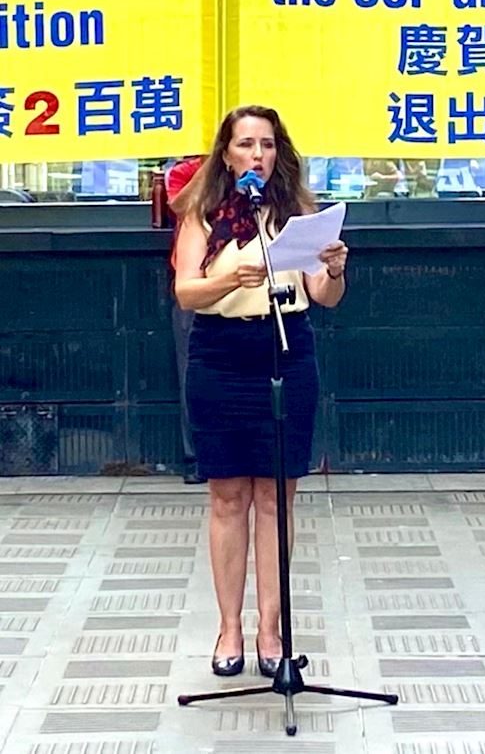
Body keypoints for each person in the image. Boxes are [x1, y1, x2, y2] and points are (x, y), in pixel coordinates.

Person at [173, 105, 348, 677]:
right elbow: (187, 293)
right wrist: (229, 279)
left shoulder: (297, 212)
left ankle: (271, 630)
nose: (257, 155)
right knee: (228, 495)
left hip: (286, 349)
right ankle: (229, 628)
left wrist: (335, 269)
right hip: (221, 355)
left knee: (276, 496)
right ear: (226, 155)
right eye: (246, 144)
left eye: (267, 145)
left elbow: (323, 296)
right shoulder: (202, 211)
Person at [166, 155, 206, 485]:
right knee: (190, 371)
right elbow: (180, 205)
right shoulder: (182, 171)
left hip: (241, 284)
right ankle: (194, 455)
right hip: (193, 284)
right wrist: (210, 167)